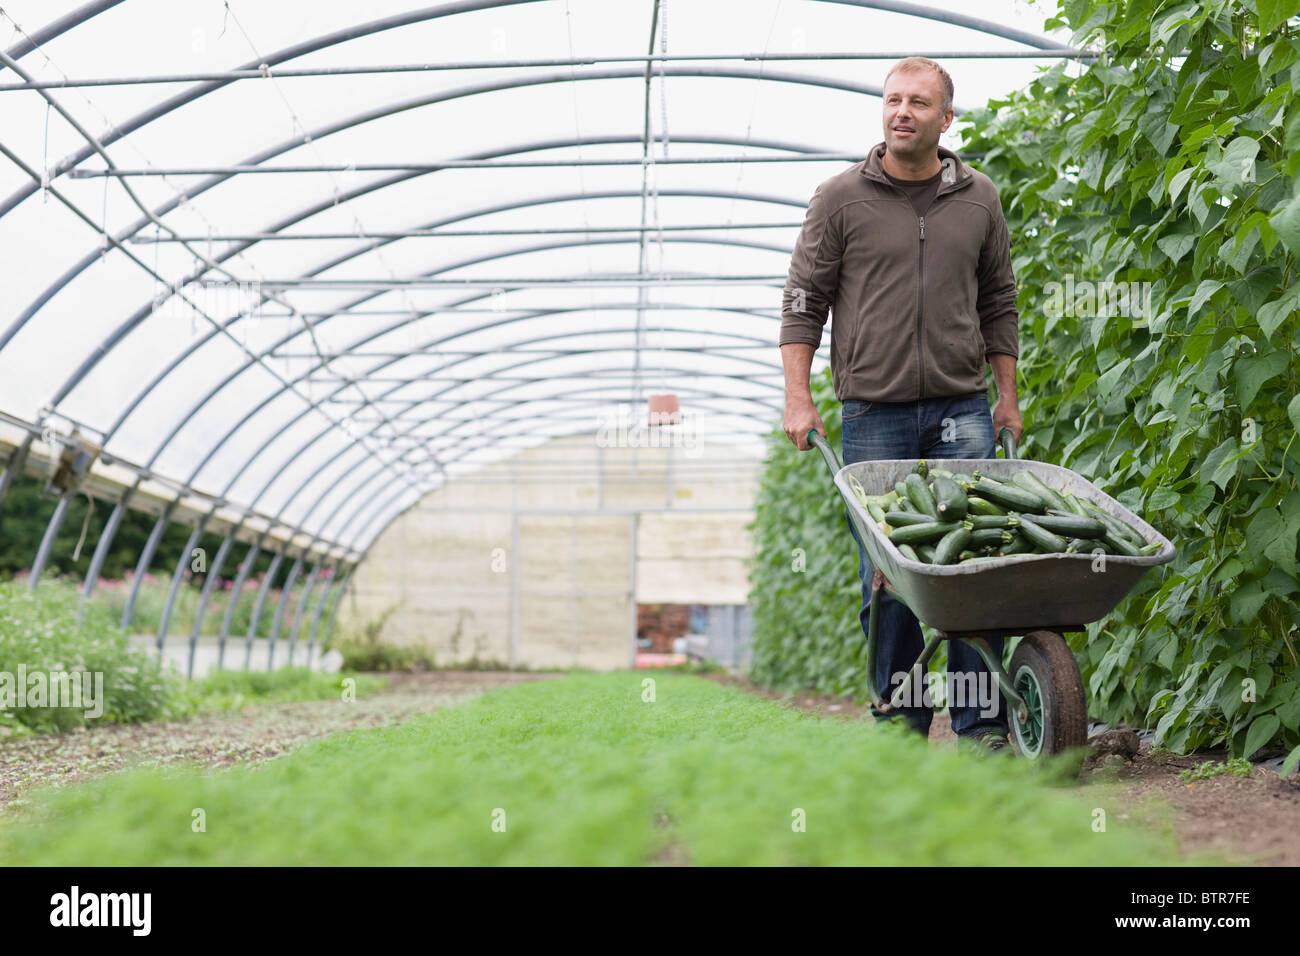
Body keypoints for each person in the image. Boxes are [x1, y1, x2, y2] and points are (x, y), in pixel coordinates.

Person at [778, 56, 1024, 754]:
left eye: (919, 102)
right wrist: (800, 397)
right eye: (892, 100)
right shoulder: (839, 199)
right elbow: (803, 304)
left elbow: (999, 302)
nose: (901, 112)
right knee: (887, 577)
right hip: (874, 415)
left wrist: (1006, 398)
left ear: (947, 120)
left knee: (972, 567)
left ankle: (981, 728)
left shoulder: (980, 198)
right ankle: (901, 727)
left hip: (963, 409)